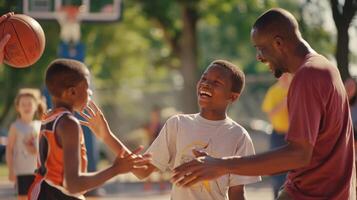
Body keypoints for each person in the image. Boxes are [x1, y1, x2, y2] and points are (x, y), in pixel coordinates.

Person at [172, 8, 355, 200]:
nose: (259, 57)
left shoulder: (307, 76)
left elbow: (299, 154)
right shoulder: (325, 68)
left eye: (260, 48)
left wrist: (221, 166)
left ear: (278, 43)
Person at [130, 60, 261, 200]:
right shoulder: (178, 124)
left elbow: (237, 193)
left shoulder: (238, 136)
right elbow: (142, 172)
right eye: (204, 78)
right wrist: (107, 136)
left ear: (232, 96)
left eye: (216, 82)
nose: (206, 84)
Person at [28, 59, 150, 200]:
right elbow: (73, 185)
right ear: (72, 92)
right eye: (87, 88)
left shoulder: (49, 117)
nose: (90, 93)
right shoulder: (69, 124)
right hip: (56, 195)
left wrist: (106, 135)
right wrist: (115, 169)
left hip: (42, 192)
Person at [6, 89, 45, 200]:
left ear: (36, 106)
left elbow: (42, 149)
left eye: (29, 104)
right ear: (18, 107)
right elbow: (9, 149)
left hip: (38, 171)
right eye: (23, 104)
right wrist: (11, 170)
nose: (26, 107)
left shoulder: (39, 125)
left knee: (37, 196)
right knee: (23, 197)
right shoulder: (15, 127)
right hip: (22, 171)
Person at [261, 73, 291, 198]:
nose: (284, 77)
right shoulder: (273, 91)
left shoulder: (295, 89)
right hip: (278, 134)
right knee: (277, 167)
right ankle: (276, 195)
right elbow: (270, 113)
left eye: (286, 74)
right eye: (282, 75)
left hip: (294, 135)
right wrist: (283, 104)